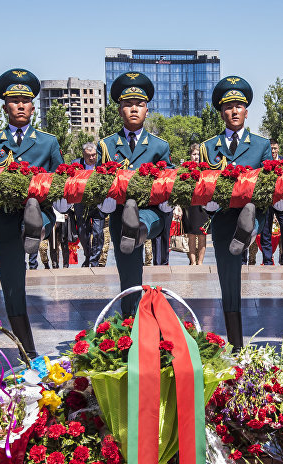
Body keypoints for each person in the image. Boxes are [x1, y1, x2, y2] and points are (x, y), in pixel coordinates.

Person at [0, 68, 63, 358]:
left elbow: (60, 181)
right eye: (14, 100)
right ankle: (28, 351)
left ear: (33, 106)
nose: (20, 105)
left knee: (36, 208)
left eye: (25, 100)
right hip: (4, 219)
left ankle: (34, 221)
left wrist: (61, 201)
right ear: (5, 106)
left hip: (41, 213)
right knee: (12, 290)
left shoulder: (48, 142)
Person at [199, 75, 271, 347]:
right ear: (222, 112)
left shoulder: (262, 145)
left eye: (239, 106)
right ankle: (236, 344)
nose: (234, 111)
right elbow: (202, 184)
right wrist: (209, 204)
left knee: (252, 209)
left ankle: (249, 227)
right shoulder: (209, 147)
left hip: (253, 211)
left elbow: (269, 184)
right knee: (228, 278)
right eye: (228, 107)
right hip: (223, 217)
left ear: (246, 111)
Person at [96, 72, 172, 309]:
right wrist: (105, 201)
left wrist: (168, 201)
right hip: (119, 216)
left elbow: (168, 183)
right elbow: (99, 184)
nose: (134, 109)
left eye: (139, 105)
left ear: (147, 110)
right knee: (128, 278)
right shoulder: (107, 145)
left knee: (144, 220)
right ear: (120, 110)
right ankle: (130, 325)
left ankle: (138, 226)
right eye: (128, 105)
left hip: (152, 212)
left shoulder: (160, 146)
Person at [69, 142, 105, 267]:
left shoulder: (102, 164)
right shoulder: (75, 164)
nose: (91, 158)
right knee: (83, 233)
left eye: (94, 155)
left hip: (98, 204)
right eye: (88, 156)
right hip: (81, 203)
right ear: (83, 154)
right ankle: (88, 255)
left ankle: (94, 260)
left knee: (98, 233)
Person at [182, 143, 209, 266]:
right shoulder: (185, 169)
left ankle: (200, 262)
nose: (196, 156)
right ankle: (193, 262)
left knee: (202, 235)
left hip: (203, 206)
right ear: (190, 155)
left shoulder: (206, 168)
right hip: (190, 205)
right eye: (194, 154)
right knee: (191, 235)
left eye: (198, 154)